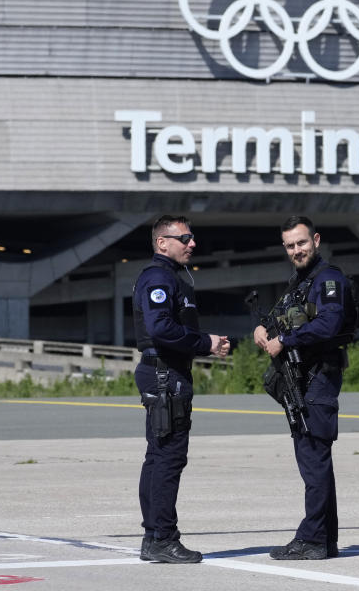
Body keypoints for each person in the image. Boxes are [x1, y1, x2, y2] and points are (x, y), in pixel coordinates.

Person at [253, 215, 355, 560]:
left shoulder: (328, 279)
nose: (297, 250)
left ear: (316, 240)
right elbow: (282, 315)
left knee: (314, 460)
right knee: (315, 462)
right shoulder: (301, 280)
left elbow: (328, 324)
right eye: (291, 246)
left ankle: (312, 538)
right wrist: (263, 329)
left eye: (302, 242)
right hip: (303, 378)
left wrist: (286, 339)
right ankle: (323, 539)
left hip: (318, 378)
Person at [133, 215, 230, 564]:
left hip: (167, 373)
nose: (192, 244)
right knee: (168, 458)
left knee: (158, 456)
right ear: (162, 243)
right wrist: (205, 342)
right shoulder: (158, 277)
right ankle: (163, 538)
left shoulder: (171, 277)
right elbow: (159, 327)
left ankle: (152, 536)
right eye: (184, 238)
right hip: (165, 375)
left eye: (192, 238)